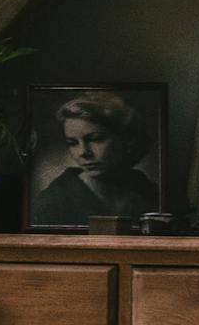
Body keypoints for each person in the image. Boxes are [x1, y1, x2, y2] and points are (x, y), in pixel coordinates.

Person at [32, 89, 164, 226]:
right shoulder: (51, 203)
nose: (83, 152)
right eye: (73, 143)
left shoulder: (148, 192)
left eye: (95, 139)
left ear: (125, 137)